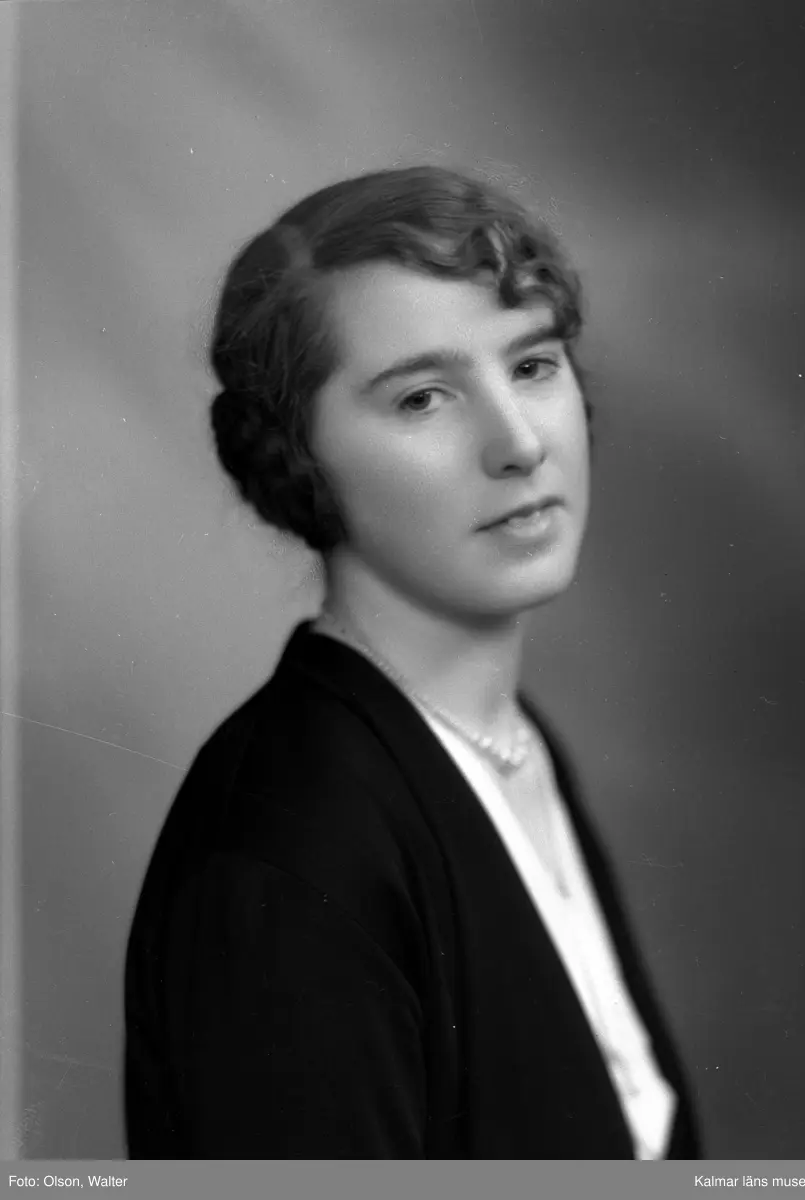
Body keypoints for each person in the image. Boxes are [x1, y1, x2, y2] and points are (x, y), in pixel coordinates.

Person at [124, 165, 700, 1159]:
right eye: (424, 397)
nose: (518, 444)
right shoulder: (290, 844)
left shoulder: (511, 744)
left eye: (532, 365)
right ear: (295, 455)